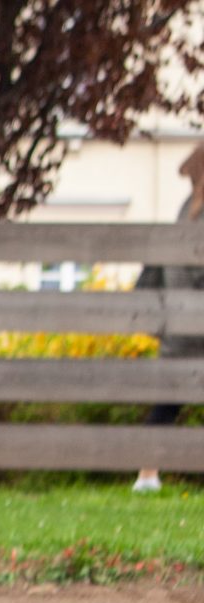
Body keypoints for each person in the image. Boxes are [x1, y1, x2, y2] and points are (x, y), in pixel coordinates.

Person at [130, 141, 204, 493]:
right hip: (197, 327)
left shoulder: (185, 209)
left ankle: (147, 474)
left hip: (177, 328)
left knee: (166, 404)